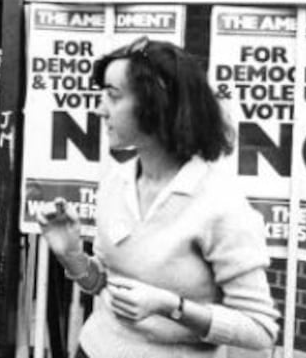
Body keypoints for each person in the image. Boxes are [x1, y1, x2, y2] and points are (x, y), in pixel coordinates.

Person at [38, 37, 279, 358]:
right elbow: (105, 286)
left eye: (112, 96)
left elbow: (261, 330)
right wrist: (72, 256)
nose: (98, 109)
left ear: (157, 104)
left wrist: (172, 307)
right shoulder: (116, 181)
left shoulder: (221, 205)